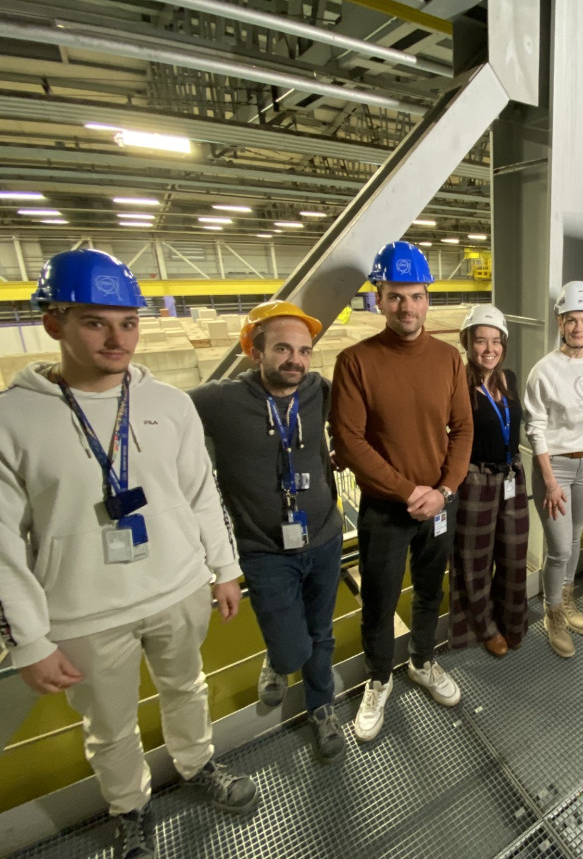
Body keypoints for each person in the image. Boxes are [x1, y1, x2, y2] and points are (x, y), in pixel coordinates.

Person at [0, 249, 258, 859]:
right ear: (54, 323)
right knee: (109, 727)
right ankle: (130, 808)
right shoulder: (3, 423)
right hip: (84, 614)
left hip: (178, 588)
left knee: (188, 689)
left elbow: (203, 494)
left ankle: (197, 766)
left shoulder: (169, 405)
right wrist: (27, 640)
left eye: (127, 321)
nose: (117, 338)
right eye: (96, 322)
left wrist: (224, 568)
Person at [190, 300, 346, 762]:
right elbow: (155, 415)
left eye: (304, 350)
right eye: (282, 348)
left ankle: (322, 709)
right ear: (254, 351)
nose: (295, 360)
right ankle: (279, 661)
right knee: (293, 644)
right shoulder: (219, 401)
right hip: (262, 549)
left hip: (324, 536)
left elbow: (373, 406)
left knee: (322, 632)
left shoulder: (319, 390)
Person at [330, 241, 473, 742]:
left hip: (437, 504)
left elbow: (463, 429)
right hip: (385, 512)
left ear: (427, 298)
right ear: (378, 298)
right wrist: (409, 490)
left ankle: (422, 661)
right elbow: (347, 441)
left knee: (431, 589)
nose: (406, 307)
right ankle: (378, 677)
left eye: (415, 296)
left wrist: (444, 489)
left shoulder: (448, 359)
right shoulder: (355, 362)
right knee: (380, 598)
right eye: (395, 296)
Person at [524, 281, 583, 659]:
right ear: (560, 322)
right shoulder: (544, 370)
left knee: (575, 536)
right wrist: (550, 480)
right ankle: (552, 613)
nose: (578, 328)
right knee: (558, 548)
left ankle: (568, 597)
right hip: (555, 466)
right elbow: (535, 428)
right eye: (571, 320)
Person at [449, 305, 529, 657]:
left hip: (512, 474)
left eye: (495, 341)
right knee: (474, 559)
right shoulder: (457, 387)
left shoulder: (508, 378)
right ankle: (484, 625)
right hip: (475, 479)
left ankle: (512, 618)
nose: (488, 349)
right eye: (480, 341)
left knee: (513, 554)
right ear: (467, 343)